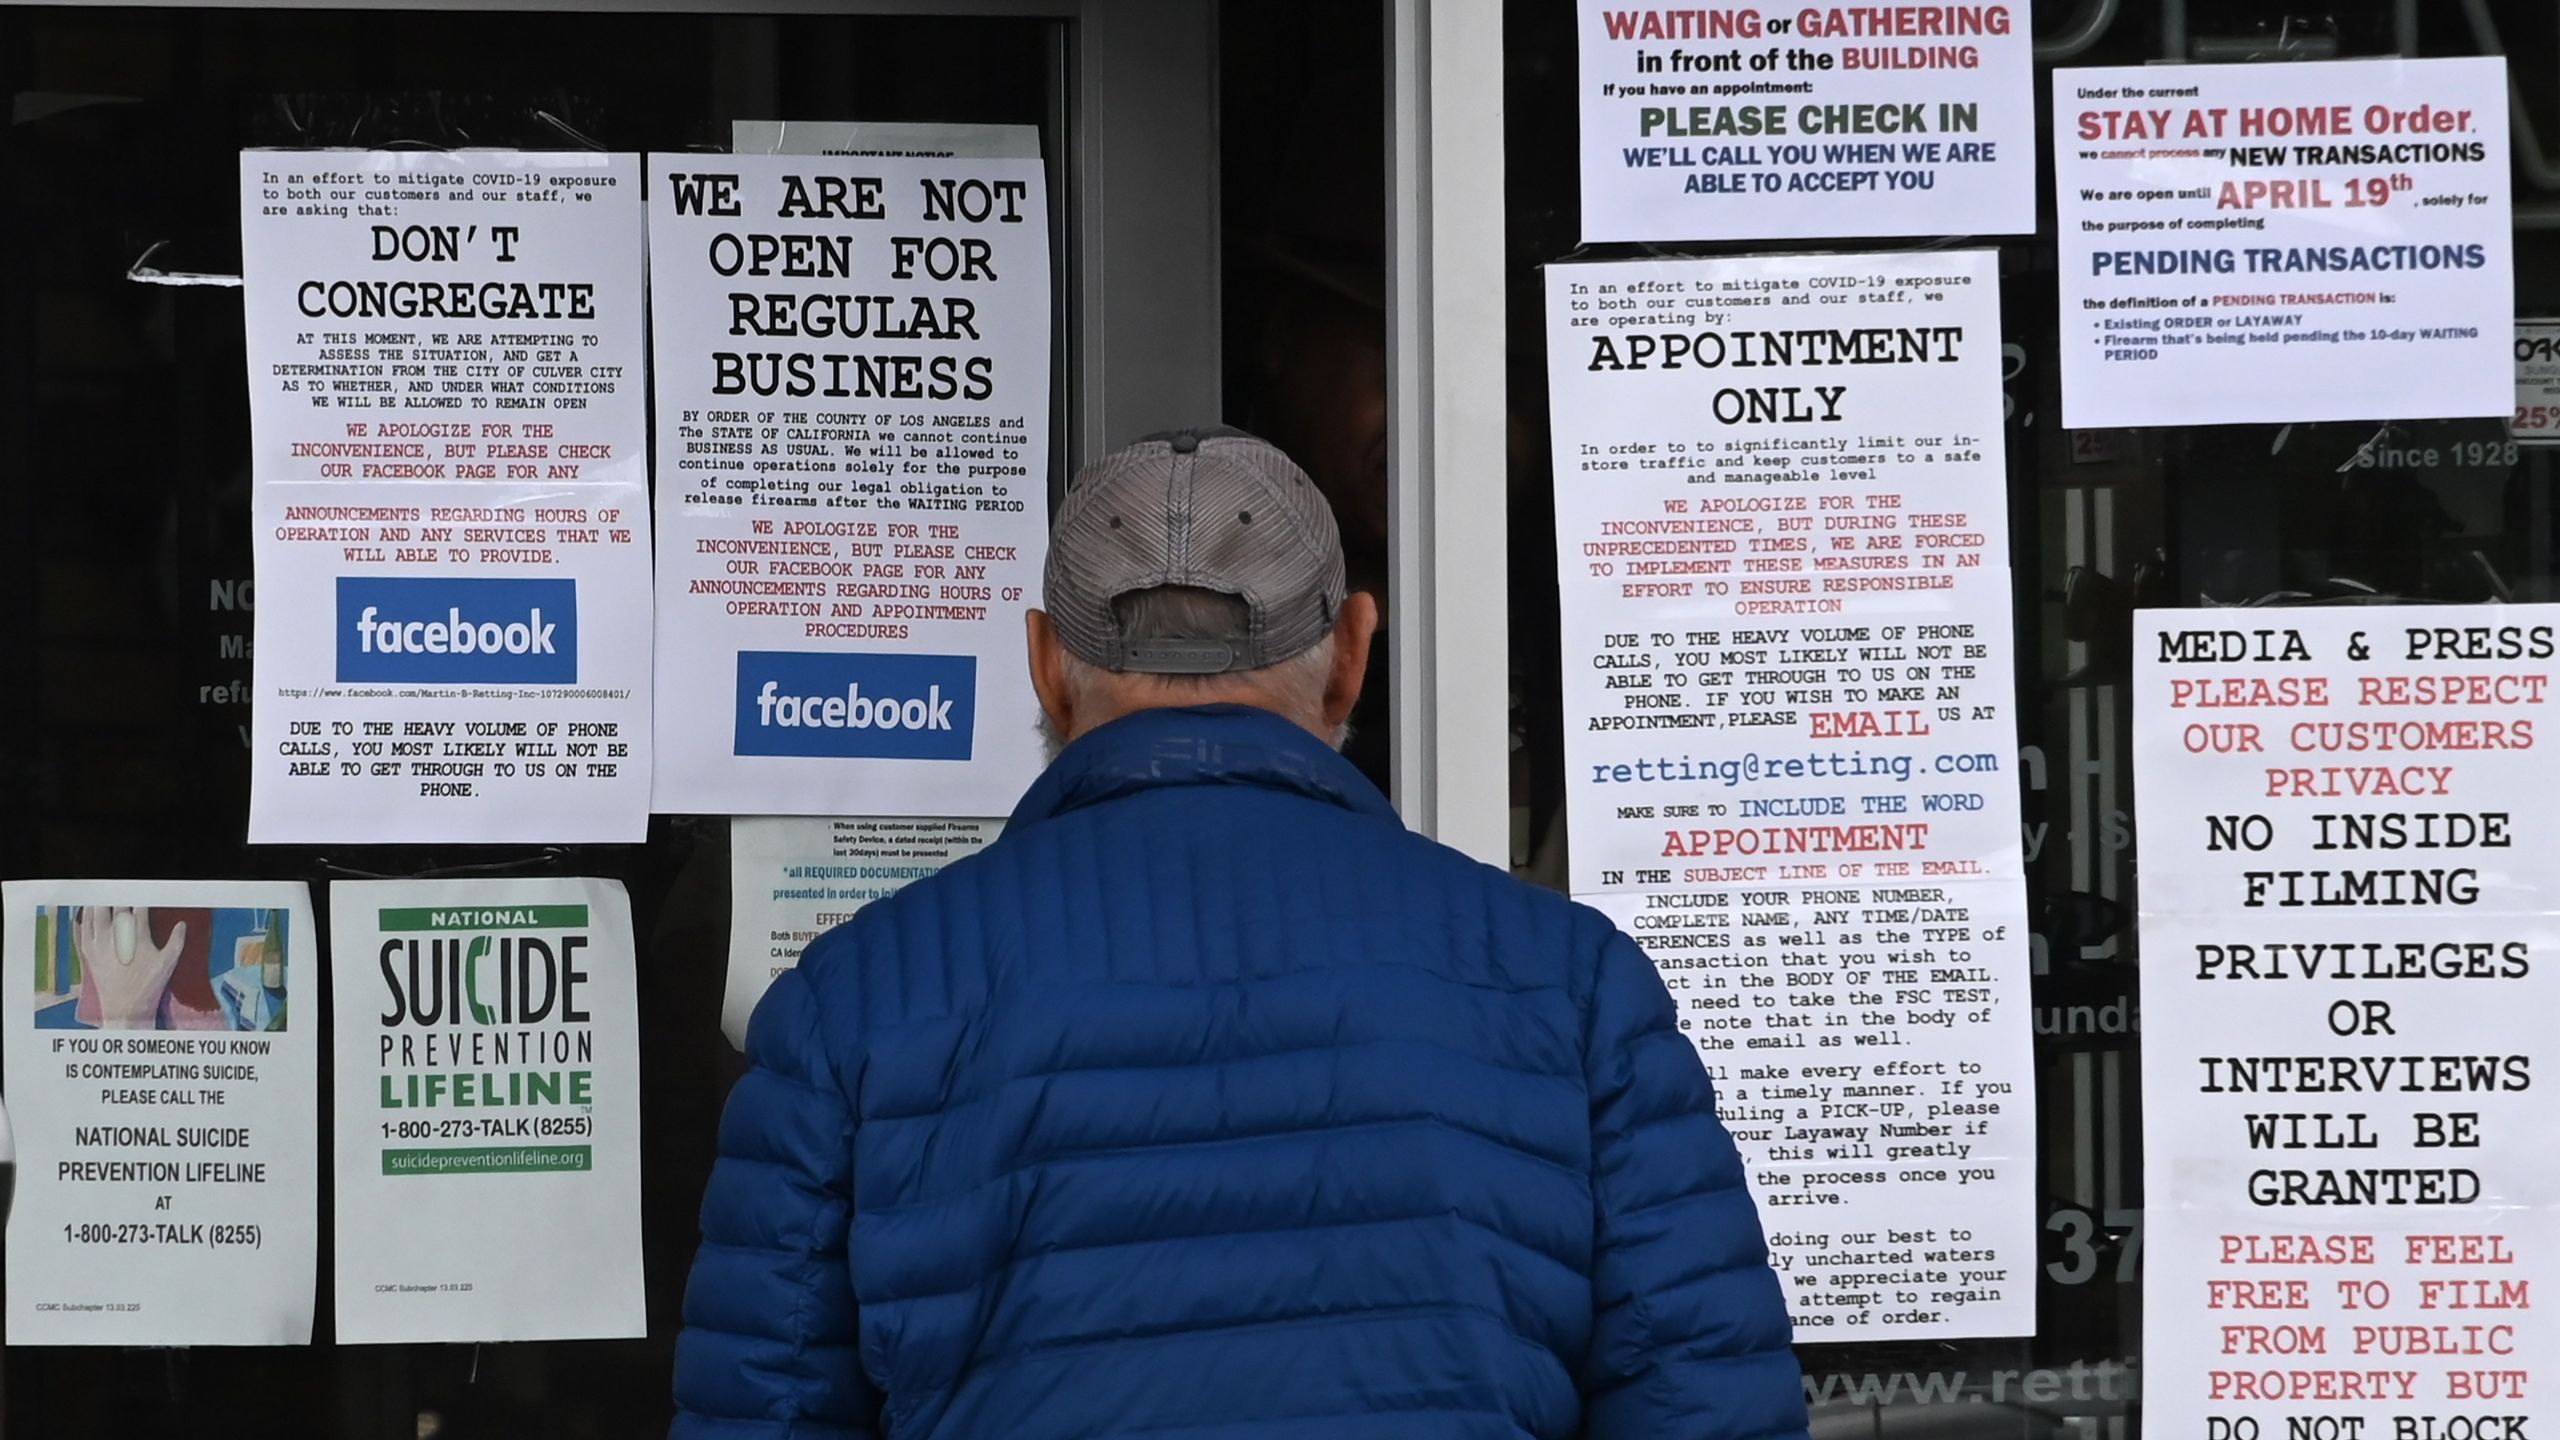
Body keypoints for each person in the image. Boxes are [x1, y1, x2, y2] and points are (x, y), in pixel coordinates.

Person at [671, 429, 1806, 1440]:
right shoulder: (1569, 986)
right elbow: (1705, 1404)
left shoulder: (855, 1003)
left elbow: (762, 1411)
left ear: (1046, 664)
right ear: (1353, 652)